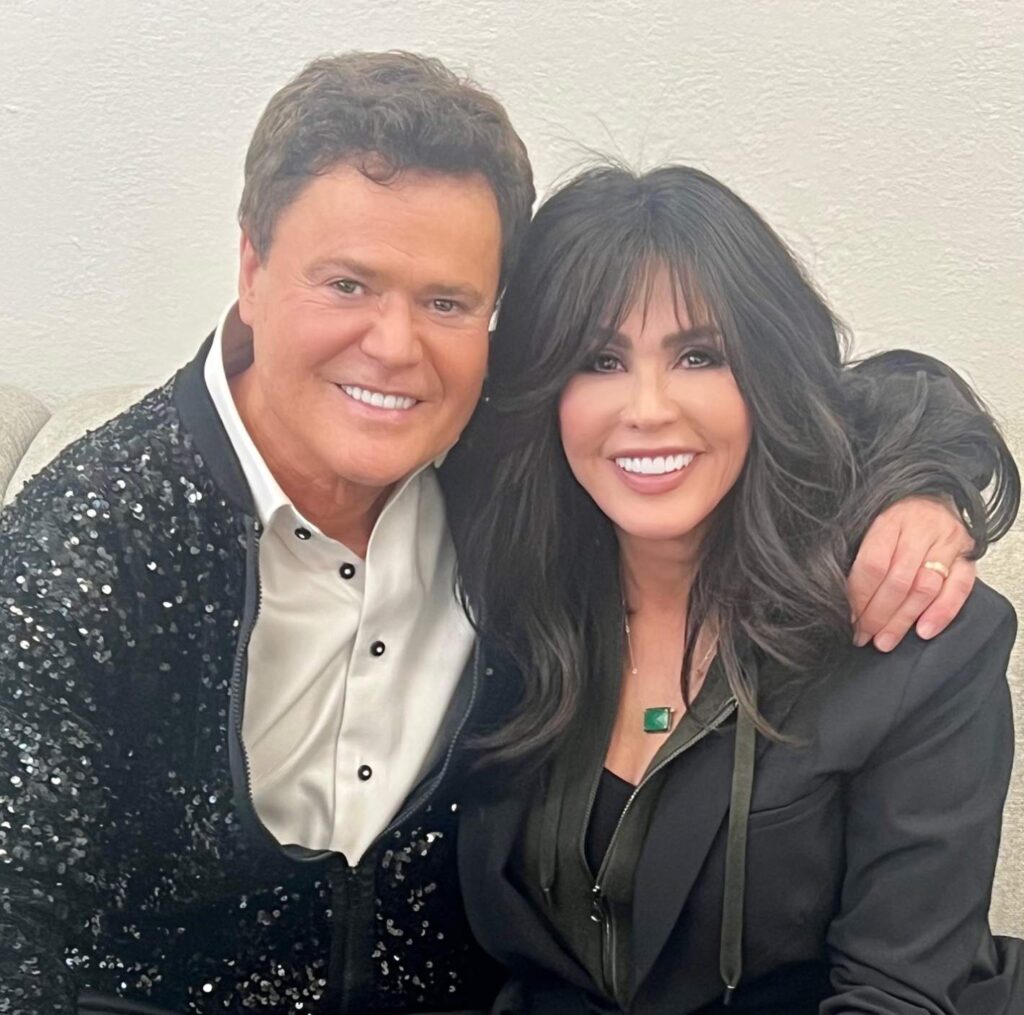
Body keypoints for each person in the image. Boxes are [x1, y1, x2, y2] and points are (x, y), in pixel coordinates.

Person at [0, 54, 1000, 1015]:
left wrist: (930, 482)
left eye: (446, 301)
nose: (394, 347)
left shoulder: (486, 468)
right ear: (251, 270)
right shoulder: (88, 546)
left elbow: (848, 397)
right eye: (347, 284)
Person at [452, 165, 1023, 1013]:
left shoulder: (912, 627)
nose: (648, 407)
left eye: (699, 355)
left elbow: (896, 996)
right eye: (600, 360)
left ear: (764, 374)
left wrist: (933, 475)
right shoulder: (503, 598)